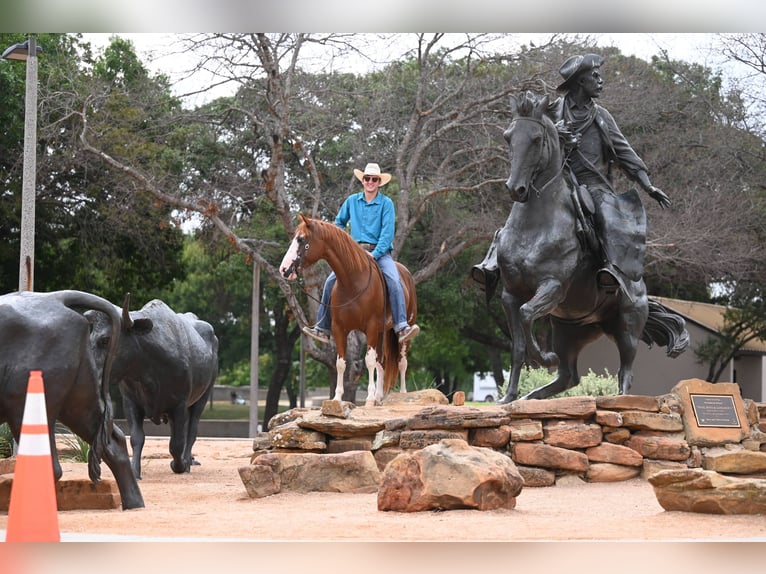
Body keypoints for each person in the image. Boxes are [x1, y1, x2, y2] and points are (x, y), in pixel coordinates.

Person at [471, 53, 671, 296]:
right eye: (594, 76)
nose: (600, 80)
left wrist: (648, 186)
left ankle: (612, 268)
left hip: (593, 185)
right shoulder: (553, 110)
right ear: (580, 83)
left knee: (606, 215)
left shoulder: (602, 117)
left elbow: (625, 152)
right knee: (521, 209)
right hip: (557, 181)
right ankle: (492, 263)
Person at [303, 162, 420, 345]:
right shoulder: (351, 201)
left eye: (374, 179)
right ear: (363, 180)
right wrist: (338, 242)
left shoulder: (386, 204)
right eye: (367, 178)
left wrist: (376, 253)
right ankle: (322, 327)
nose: (370, 182)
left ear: (379, 182)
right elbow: (339, 224)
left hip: (379, 253)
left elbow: (387, 233)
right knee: (329, 282)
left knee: (394, 280)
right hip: (355, 254)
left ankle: (401, 325)